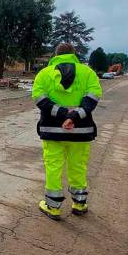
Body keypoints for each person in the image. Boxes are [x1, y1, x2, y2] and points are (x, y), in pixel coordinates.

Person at [32, 43, 103, 220]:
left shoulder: (44, 74)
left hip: (52, 131)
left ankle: (53, 207)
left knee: (53, 167)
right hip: (80, 131)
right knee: (78, 167)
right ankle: (80, 203)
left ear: (55, 55)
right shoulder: (88, 72)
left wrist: (63, 114)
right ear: (74, 54)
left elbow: (39, 99)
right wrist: (74, 116)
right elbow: (93, 97)